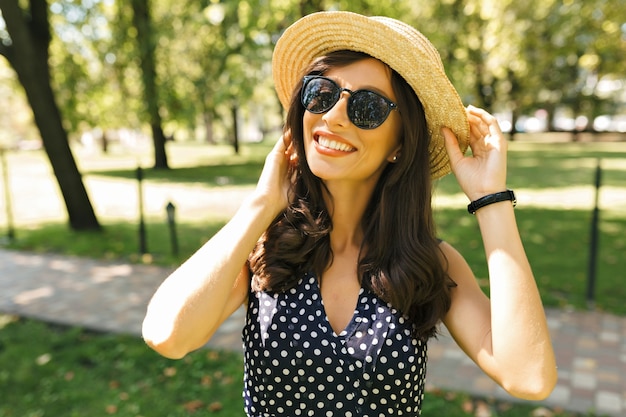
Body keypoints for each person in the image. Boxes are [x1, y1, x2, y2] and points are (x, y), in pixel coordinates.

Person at [142, 11, 557, 416]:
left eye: (368, 107)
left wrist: (491, 199)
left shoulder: (429, 263)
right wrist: (262, 204)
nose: (334, 116)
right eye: (321, 94)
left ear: (400, 144)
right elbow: (167, 335)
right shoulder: (263, 246)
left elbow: (529, 376)